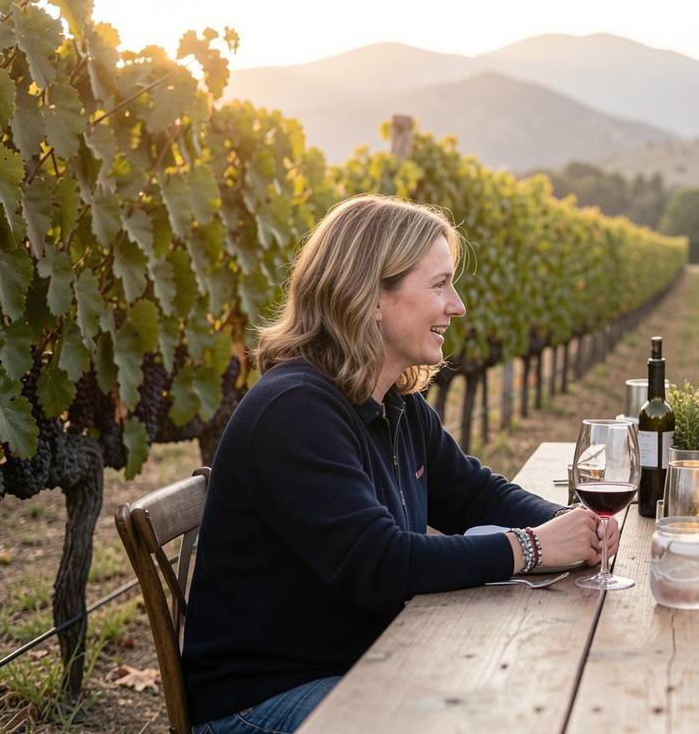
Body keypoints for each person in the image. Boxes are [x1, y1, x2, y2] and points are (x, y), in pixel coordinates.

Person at [182, 195, 616, 734]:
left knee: (520, 695)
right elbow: (379, 565)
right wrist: (531, 547)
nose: (456, 306)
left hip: (361, 664)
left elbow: (474, 495)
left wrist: (575, 523)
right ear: (370, 298)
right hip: (264, 699)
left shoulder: (396, 404)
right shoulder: (293, 410)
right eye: (438, 285)